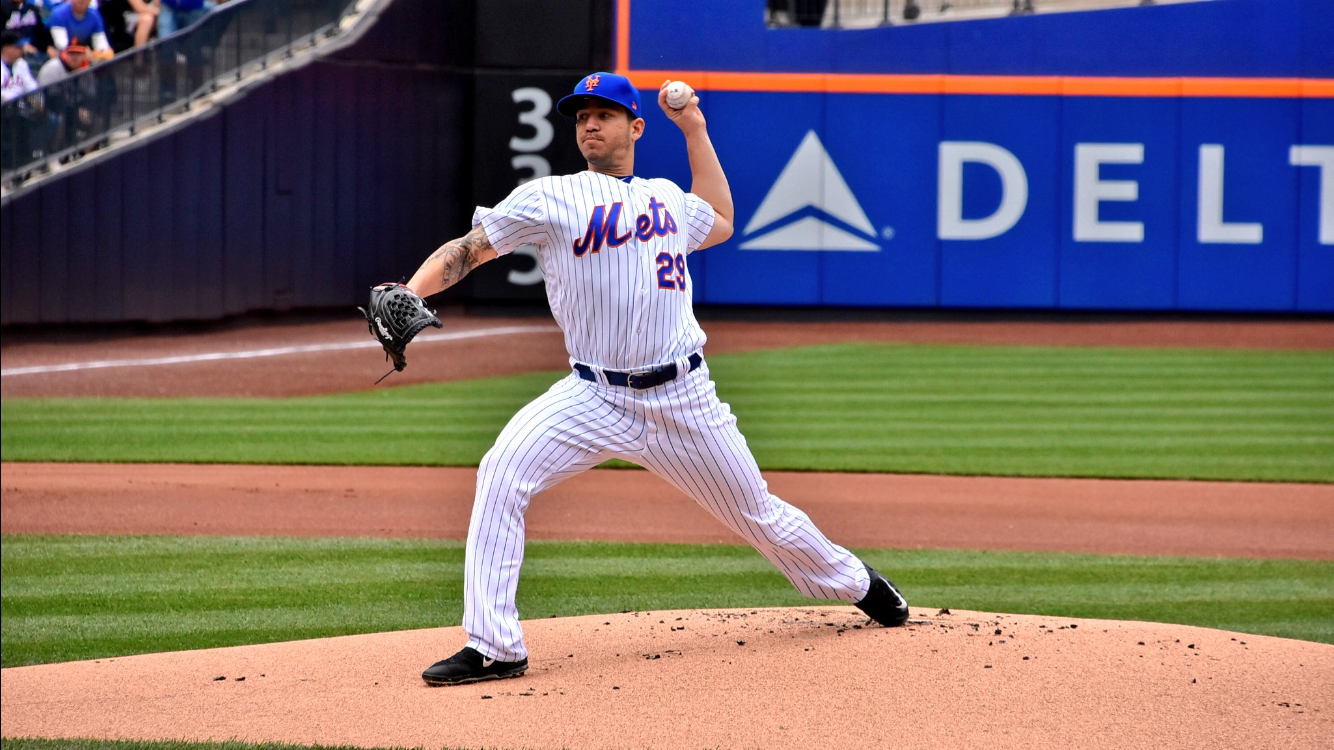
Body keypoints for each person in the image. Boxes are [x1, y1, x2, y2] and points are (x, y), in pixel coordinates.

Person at [394, 72, 910, 687]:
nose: (589, 123)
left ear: (635, 127)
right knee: (501, 473)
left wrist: (693, 128)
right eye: (581, 114)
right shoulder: (548, 197)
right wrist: (408, 291)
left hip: (683, 399)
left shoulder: (665, 197)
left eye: (604, 113)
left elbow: (719, 218)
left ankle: (858, 583)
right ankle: (495, 646)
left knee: (759, 516)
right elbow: (469, 249)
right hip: (591, 395)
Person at [46, 0, 113, 57]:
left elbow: (101, 44)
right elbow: (61, 45)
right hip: (58, 56)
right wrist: (84, 53)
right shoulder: (58, 14)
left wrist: (102, 54)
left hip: (85, 55)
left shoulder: (94, 16)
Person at [2, 0, 56, 69]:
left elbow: (42, 32)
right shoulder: (3, 9)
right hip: (12, 55)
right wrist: (21, 45)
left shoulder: (31, 9)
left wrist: (49, 46)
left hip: (35, 53)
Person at [1, 28, 38, 101]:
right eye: (18, 47)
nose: (22, 49)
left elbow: (32, 87)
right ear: (6, 49)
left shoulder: (21, 64)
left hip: (22, 109)